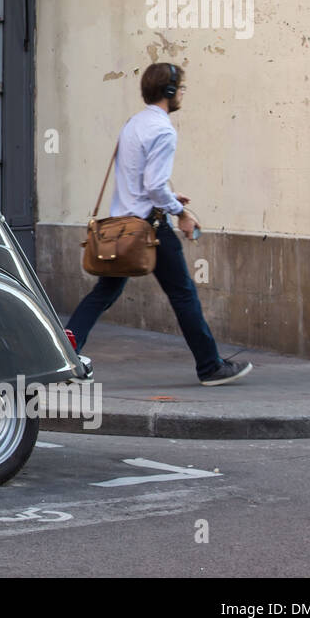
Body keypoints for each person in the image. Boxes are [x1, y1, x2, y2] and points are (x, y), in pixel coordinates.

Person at [66, 62, 252, 386]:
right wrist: (179, 211)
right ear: (168, 91)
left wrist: (168, 195)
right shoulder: (164, 130)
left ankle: (67, 353)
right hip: (148, 230)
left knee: (104, 292)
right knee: (183, 295)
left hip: (121, 226)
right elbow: (153, 185)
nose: (182, 94)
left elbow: (142, 181)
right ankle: (210, 366)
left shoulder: (133, 123)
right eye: (180, 88)